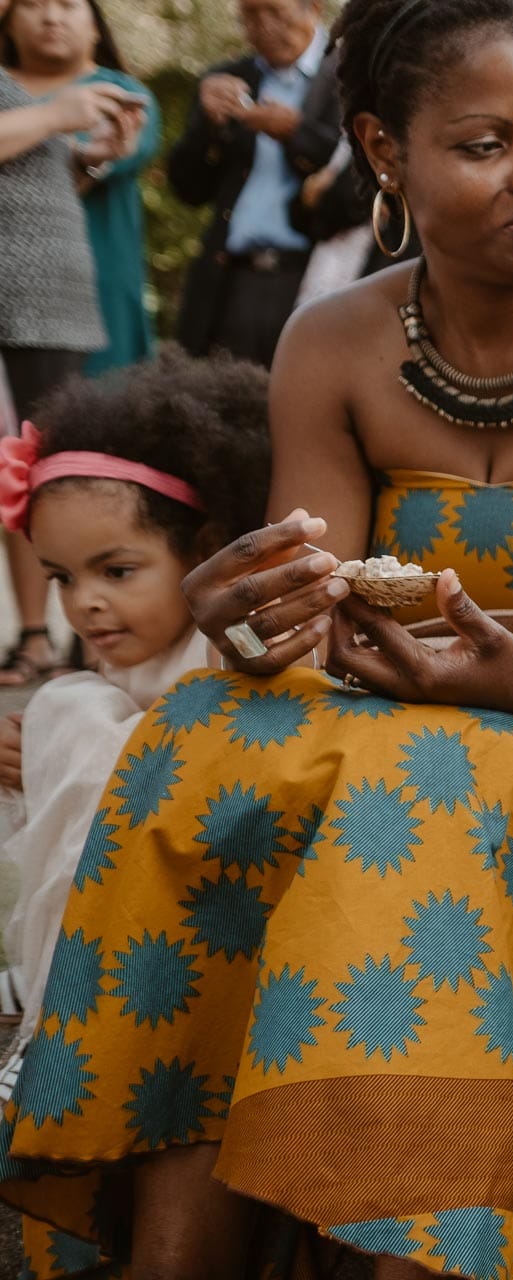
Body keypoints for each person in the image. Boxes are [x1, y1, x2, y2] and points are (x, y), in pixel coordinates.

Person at [0, 0, 513, 1273]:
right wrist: (242, 630)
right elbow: (308, 623)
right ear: (383, 150)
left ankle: (405, 1251)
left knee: (419, 787)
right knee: (202, 739)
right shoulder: (335, 341)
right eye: (486, 143)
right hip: (397, 733)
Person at [0, 352, 269, 1043]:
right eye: (61, 578)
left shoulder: (229, 647)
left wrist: (69, 735)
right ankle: (50, 969)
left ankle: (69, 1002)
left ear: (204, 549)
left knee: (70, 708)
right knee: (69, 705)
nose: (84, 604)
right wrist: (31, 759)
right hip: (130, 892)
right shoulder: (115, 660)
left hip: (207, 908)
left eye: (116, 571)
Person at [0, 45, 141, 684]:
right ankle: (37, 635)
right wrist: (56, 114)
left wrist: (91, 157)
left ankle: (78, 639)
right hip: (14, 293)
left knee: (40, 465)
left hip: (51, 296)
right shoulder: (43, 94)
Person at [167, 0, 342, 366]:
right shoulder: (230, 79)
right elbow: (188, 188)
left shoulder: (348, 77)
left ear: (312, 7)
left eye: (274, 12)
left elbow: (362, 180)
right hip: (227, 279)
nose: (262, 26)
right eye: (249, 14)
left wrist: (296, 133)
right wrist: (209, 126)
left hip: (309, 280)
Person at [2, 0, 161, 377]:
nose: (52, 17)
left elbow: (58, 182)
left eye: (68, 4)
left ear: (95, 27)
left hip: (91, 291)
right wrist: (54, 117)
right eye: (33, 4)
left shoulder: (119, 93)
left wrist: (89, 158)